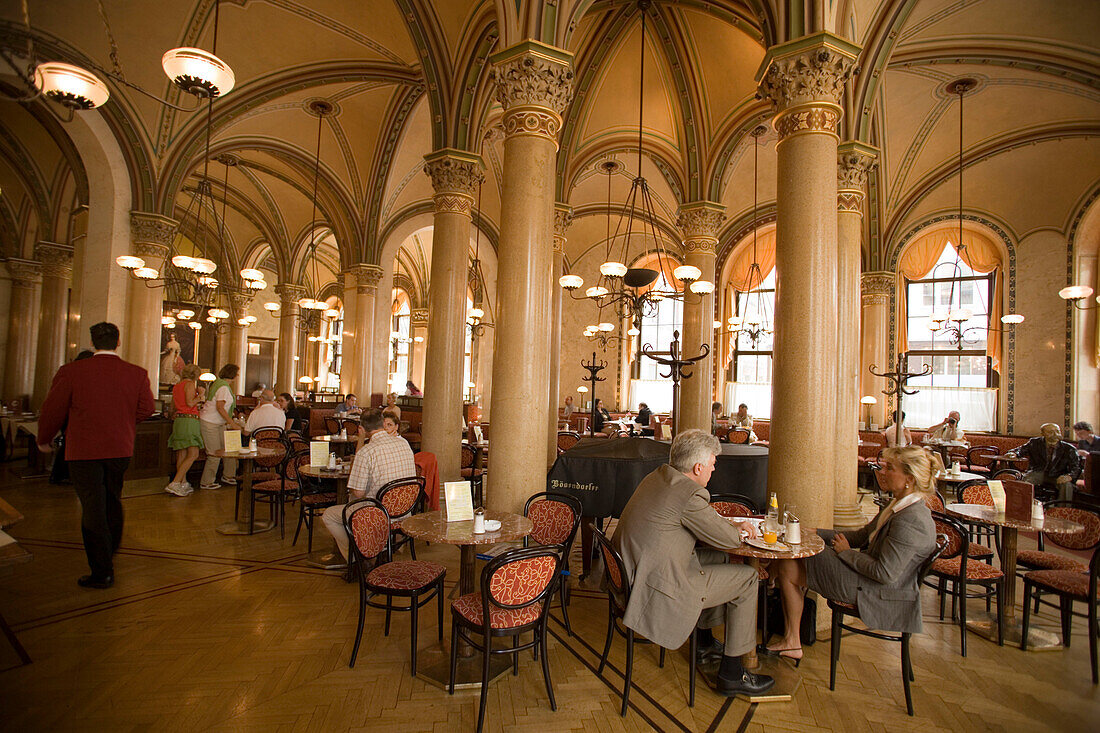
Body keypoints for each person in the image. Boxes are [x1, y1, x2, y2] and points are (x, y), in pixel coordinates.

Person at [612, 429, 774, 697]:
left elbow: (707, 529)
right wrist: (742, 529)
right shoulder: (690, 495)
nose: (713, 470)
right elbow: (728, 539)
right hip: (655, 586)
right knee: (746, 579)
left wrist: (726, 527)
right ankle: (733, 674)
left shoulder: (661, 477)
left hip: (636, 571)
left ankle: (704, 642)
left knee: (722, 559)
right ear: (698, 467)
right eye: (712, 465)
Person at [765, 446, 938, 663]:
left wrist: (845, 553)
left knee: (797, 553)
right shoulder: (898, 505)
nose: (882, 472)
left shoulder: (912, 520)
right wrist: (817, 532)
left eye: (890, 468)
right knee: (789, 566)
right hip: (866, 579)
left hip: (875, 590)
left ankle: (769, 581)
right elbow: (862, 536)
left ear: (909, 479)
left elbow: (884, 573)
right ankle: (792, 641)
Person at [37, 322, 155, 589]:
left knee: (92, 505)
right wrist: (122, 422)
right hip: (120, 448)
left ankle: (102, 571)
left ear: (93, 342)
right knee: (112, 498)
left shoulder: (72, 371)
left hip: (84, 450)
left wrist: (44, 439)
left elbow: (53, 409)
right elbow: (146, 408)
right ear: (118, 342)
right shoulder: (136, 373)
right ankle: (109, 550)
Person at [320, 408, 415, 563]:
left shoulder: (366, 452)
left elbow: (358, 492)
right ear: (383, 423)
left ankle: (356, 558)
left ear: (362, 429)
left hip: (378, 513)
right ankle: (375, 547)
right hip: (405, 510)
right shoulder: (404, 444)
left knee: (329, 515)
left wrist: (361, 439)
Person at [197, 364, 243, 491]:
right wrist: (232, 424)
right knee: (214, 453)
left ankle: (229, 475)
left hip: (219, 423)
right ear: (232, 374)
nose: (238, 376)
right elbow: (220, 407)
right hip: (210, 422)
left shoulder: (220, 384)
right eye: (237, 373)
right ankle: (207, 481)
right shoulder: (223, 386)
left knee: (228, 449)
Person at [166, 363, 204, 496]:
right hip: (189, 420)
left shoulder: (177, 386)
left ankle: (183, 483)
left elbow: (172, 408)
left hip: (179, 421)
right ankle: (175, 482)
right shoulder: (189, 385)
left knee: (181, 454)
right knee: (194, 453)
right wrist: (201, 395)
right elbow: (190, 403)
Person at [1018, 423, 1082, 501]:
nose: (1055, 434)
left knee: (1067, 485)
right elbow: (1020, 450)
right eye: (1051, 432)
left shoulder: (1069, 449)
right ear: (1042, 434)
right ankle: (1025, 506)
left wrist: (1069, 476)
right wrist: (1014, 453)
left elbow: (1077, 467)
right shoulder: (1034, 443)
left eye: (1057, 431)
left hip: (1059, 475)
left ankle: (1062, 509)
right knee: (1025, 482)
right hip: (1038, 473)